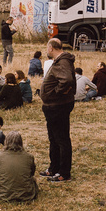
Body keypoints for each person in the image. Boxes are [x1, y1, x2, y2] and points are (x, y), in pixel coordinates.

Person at [39, 38, 76, 182]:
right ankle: (53, 168)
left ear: (51, 48)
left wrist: (56, 92)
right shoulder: (61, 61)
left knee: (61, 139)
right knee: (54, 138)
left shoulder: (63, 61)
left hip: (58, 106)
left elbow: (66, 80)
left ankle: (63, 172)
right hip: (53, 106)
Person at [0, 131, 39, 202]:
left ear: (6, 142)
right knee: (34, 179)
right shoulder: (29, 157)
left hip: (2, 195)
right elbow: (32, 174)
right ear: (21, 142)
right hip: (26, 196)